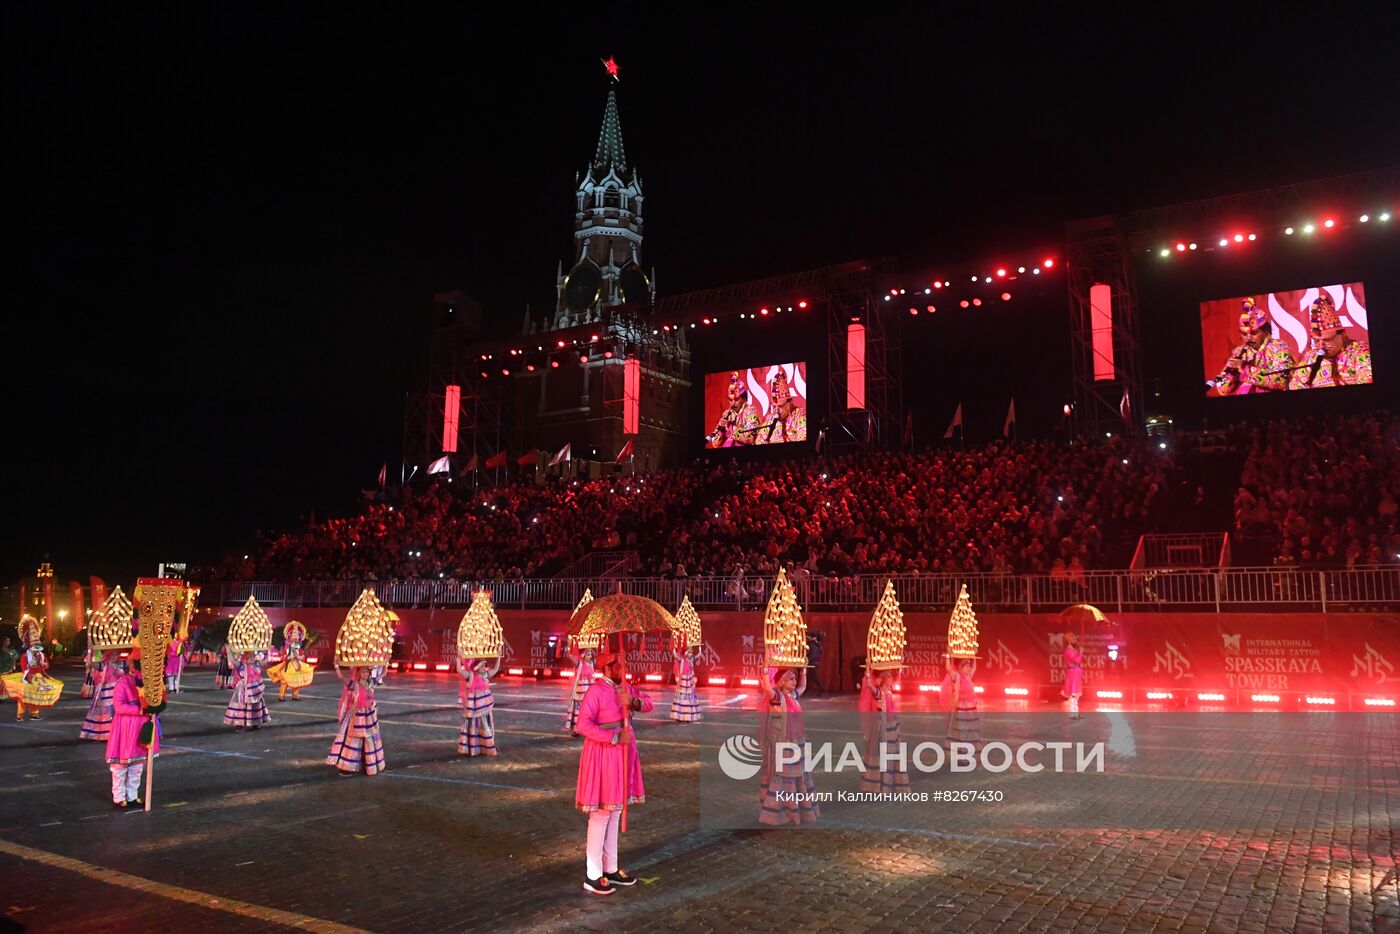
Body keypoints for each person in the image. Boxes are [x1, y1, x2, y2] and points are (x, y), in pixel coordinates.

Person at [575, 652, 652, 896]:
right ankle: (593, 874)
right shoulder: (595, 692)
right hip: (603, 754)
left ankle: (611, 868)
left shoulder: (625, 688)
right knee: (601, 814)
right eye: (619, 665)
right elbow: (582, 725)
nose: (623, 669)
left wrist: (634, 703)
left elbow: (649, 703)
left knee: (616, 811)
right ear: (607, 669)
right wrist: (615, 736)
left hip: (624, 755)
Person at [758, 667, 819, 826]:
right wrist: (765, 672)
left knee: (798, 774)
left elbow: (803, 687)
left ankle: (797, 808)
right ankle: (780, 811)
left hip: (796, 741)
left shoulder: (792, 695)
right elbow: (766, 688)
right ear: (781, 682)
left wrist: (804, 672)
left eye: (794, 678)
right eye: (790, 679)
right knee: (783, 775)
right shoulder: (777, 697)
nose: (794, 681)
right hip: (782, 742)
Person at [1212, 297, 1296, 395]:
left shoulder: (1278, 347)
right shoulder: (1242, 352)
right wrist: (1232, 372)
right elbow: (1223, 390)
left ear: (1265, 331)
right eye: (1244, 334)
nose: (1248, 338)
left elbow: (1281, 381)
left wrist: (1245, 368)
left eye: (1253, 333)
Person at [1289, 293, 1373, 389]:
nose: (1321, 346)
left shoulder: (1360, 353)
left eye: (1327, 340)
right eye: (1316, 341)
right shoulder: (1310, 358)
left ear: (1342, 334)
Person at [105, 658, 157, 809]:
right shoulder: (123, 682)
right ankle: (119, 797)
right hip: (125, 728)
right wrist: (140, 710)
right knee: (120, 765)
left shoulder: (150, 682)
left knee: (137, 765)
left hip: (141, 727)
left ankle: (132, 796)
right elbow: (119, 707)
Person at [859, 666, 911, 793]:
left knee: (893, 755)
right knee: (884, 756)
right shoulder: (879, 693)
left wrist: (899, 668)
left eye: (891, 676)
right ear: (882, 679)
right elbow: (871, 686)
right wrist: (868, 675)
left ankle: (892, 782)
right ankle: (882, 786)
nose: (891, 679)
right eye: (888, 676)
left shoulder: (889, 690)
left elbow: (897, 680)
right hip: (883, 729)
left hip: (892, 728)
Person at [327, 666, 385, 775]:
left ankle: (367, 764)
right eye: (363, 672)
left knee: (369, 740)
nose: (365, 674)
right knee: (354, 741)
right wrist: (336, 667)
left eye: (367, 672)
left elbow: (382, 675)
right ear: (358, 673)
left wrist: (386, 663)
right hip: (356, 717)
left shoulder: (370, 684)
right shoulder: (355, 686)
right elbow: (341, 678)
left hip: (369, 717)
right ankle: (348, 767)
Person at [458, 657, 500, 757]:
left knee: (487, 727)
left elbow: (496, 669)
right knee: (474, 727)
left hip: (485, 708)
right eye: (482, 666)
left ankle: (487, 746)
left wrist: (498, 657)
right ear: (477, 667)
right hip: (475, 709)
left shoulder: (485, 675)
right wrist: (458, 657)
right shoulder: (471, 675)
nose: (485, 668)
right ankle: (474, 748)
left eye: (485, 666)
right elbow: (459, 670)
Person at [705, 371, 759, 448]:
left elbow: (750, 438)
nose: (733, 403)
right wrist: (721, 430)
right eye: (730, 400)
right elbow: (715, 443)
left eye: (736, 399)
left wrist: (730, 427)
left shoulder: (750, 410)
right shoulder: (727, 413)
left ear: (744, 399)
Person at [223, 651, 271, 731]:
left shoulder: (256, 664)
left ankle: (256, 722)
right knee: (241, 705)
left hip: (254, 688)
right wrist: (229, 650)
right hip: (242, 689)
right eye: (249, 657)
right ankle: (239, 723)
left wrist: (268, 652)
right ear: (245, 658)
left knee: (255, 705)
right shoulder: (241, 665)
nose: (251, 658)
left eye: (253, 656)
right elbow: (232, 660)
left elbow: (265, 661)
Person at [80, 650, 120, 741]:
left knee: (115, 711)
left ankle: (114, 734)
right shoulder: (103, 665)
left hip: (117, 691)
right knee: (105, 712)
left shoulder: (120, 665)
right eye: (112, 654)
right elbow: (90, 664)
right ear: (108, 655)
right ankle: (104, 735)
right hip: (105, 692)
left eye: (116, 655)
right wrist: (90, 652)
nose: (114, 657)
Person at [16, 643, 63, 721]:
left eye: (38, 650)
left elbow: (47, 665)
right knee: (23, 697)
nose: (36, 652)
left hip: (39, 678)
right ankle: (20, 715)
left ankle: (34, 714)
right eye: (35, 650)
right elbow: (24, 668)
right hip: (27, 677)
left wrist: (43, 664)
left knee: (36, 696)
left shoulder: (42, 655)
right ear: (31, 649)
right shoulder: (25, 656)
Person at [942, 657, 981, 747]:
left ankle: (969, 745)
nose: (968, 669)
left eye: (969, 667)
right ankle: (961, 746)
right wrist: (948, 657)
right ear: (961, 668)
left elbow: (974, 668)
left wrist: (974, 658)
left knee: (971, 727)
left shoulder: (968, 677)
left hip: (970, 707)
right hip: (961, 707)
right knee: (961, 728)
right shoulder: (957, 676)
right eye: (966, 667)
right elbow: (948, 669)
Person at [564, 646, 596, 736]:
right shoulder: (580, 664)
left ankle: (586, 728)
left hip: (588, 690)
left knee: (587, 711)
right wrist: (568, 654)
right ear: (584, 656)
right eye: (588, 654)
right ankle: (575, 729)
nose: (590, 656)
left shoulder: (592, 664)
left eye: (590, 655)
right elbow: (573, 659)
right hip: (580, 691)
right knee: (578, 711)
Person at [669, 644, 702, 722]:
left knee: (689, 697)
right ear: (686, 653)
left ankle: (688, 716)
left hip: (689, 681)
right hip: (682, 680)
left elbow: (699, 655)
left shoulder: (691, 660)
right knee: (680, 696)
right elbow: (675, 655)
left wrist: (700, 647)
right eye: (689, 652)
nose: (691, 654)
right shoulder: (682, 660)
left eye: (691, 653)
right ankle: (679, 715)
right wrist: (674, 648)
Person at [1062, 633, 1085, 721]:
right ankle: (1072, 713)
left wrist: (1079, 652)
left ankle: (1076, 712)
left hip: (1076, 672)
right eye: (1073, 638)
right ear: (1068, 640)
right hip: (1072, 673)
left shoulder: (1073, 649)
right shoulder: (1068, 650)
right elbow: (1077, 660)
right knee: (1073, 693)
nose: (1075, 640)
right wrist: (1081, 652)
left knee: (1076, 694)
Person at [805, 631, 827, 697]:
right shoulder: (819, 645)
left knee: (814, 677)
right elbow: (821, 653)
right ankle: (805, 690)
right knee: (810, 677)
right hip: (816, 662)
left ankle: (823, 690)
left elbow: (807, 653)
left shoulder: (810, 644)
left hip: (811, 662)